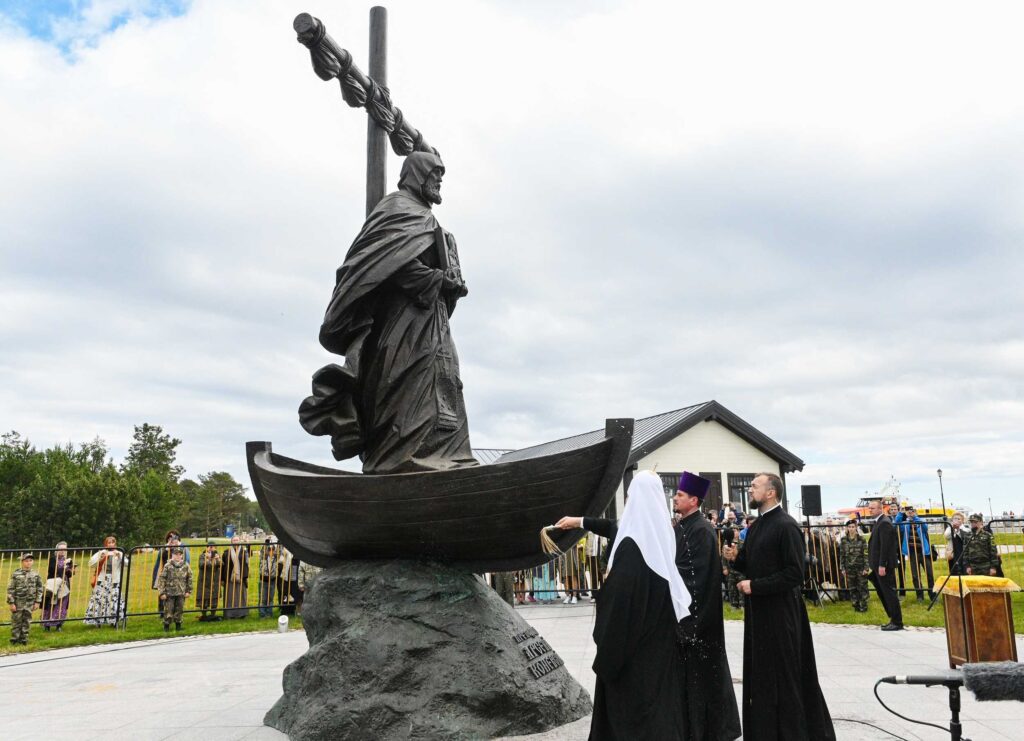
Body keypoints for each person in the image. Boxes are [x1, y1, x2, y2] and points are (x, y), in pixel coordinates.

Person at [299, 151, 478, 475]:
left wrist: (450, 283)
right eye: (435, 173)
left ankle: (449, 463)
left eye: (442, 175)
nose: (439, 181)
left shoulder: (425, 216)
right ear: (418, 174)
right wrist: (437, 279)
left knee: (447, 385)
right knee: (408, 389)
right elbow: (386, 264)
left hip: (433, 324)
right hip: (402, 328)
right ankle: (401, 465)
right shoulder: (396, 208)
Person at [722, 472, 834, 741]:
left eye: (754, 486)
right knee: (763, 676)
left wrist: (755, 586)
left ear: (771, 492)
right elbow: (751, 563)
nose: (750, 490)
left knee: (785, 676)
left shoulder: (786, 526)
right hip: (760, 613)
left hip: (783, 614)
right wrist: (735, 558)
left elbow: (795, 573)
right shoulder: (758, 526)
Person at [588, 471, 690, 739]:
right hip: (659, 649)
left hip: (632, 659)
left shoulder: (632, 549)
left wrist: (605, 656)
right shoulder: (661, 539)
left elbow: (620, 610)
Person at [673, 472, 742, 741]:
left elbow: (695, 574)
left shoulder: (701, 529)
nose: (675, 498)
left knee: (704, 675)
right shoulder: (681, 526)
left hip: (699, 617)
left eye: (679, 495)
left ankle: (712, 730)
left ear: (693, 500)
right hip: (686, 614)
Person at [866, 499, 903, 631]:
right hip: (877, 565)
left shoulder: (884, 523)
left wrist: (882, 565)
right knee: (884, 592)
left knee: (889, 593)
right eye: (869, 508)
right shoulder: (879, 522)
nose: (870, 510)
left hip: (883, 566)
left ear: (880, 509)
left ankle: (897, 622)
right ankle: (893, 618)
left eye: (873, 508)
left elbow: (886, 547)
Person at [84, 535, 127, 627]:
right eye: (109, 542)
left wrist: (120, 556)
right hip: (102, 579)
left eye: (113, 542)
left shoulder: (119, 552)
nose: (111, 544)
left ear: (115, 544)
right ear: (106, 544)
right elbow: (91, 564)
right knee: (99, 599)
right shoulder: (101, 552)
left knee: (114, 599)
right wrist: (101, 557)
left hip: (114, 579)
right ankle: (97, 620)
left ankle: (114, 620)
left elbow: (127, 563)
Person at [893, 506, 934, 601]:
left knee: (929, 574)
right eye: (909, 511)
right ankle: (919, 595)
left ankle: (932, 594)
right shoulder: (905, 523)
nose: (910, 513)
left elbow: (925, 528)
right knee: (915, 575)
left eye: (912, 511)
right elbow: (896, 524)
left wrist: (915, 517)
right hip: (912, 552)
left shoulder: (920, 521)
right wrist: (901, 513)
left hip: (924, 552)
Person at [7, 553, 43, 646]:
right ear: (22, 562)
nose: (29, 563)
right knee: (16, 621)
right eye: (26, 561)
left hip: (30, 602)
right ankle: (15, 639)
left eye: (30, 561)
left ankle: (24, 639)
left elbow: (40, 588)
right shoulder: (16, 574)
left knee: (27, 621)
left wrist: (37, 601)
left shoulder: (36, 574)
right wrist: (11, 603)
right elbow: (10, 589)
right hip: (18, 602)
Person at [156, 547, 193, 632]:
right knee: (168, 610)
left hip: (181, 592)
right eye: (176, 554)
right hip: (169, 593)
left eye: (180, 554)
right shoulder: (168, 565)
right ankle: (166, 626)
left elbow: (189, 578)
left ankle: (178, 626)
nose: (178, 556)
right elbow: (162, 579)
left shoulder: (185, 565)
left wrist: (188, 591)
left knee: (179, 609)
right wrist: (162, 592)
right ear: (172, 555)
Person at [42, 541, 75, 631]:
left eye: (64, 549)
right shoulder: (53, 559)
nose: (62, 551)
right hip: (54, 584)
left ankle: (58, 625)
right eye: (61, 549)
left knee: (62, 604)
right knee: (51, 603)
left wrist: (70, 570)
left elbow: (70, 574)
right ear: (57, 549)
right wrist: (63, 567)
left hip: (65, 585)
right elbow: (51, 570)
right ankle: (47, 625)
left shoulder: (69, 559)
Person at [839, 520, 870, 612]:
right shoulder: (844, 540)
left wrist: (866, 567)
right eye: (849, 527)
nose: (851, 529)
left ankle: (863, 606)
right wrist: (842, 568)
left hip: (860, 567)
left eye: (853, 527)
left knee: (862, 587)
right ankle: (855, 605)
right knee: (852, 588)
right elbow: (842, 555)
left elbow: (866, 554)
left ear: (856, 527)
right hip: (849, 568)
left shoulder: (861, 539)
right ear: (847, 528)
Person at [221, 535, 250, 619]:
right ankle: (230, 614)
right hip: (229, 578)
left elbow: (248, 560)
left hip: (241, 577)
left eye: (237, 540)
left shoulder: (244, 552)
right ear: (231, 542)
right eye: (234, 540)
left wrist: (248, 544)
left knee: (241, 596)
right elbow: (223, 566)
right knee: (229, 597)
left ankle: (242, 614)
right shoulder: (226, 552)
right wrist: (222, 579)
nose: (236, 542)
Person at [196, 541, 223, 621]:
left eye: (213, 547)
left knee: (214, 598)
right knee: (204, 598)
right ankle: (203, 615)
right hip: (204, 581)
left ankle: (212, 615)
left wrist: (218, 559)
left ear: (215, 548)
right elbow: (201, 565)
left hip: (215, 581)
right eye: (209, 546)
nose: (211, 548)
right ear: (206, 548)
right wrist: (207, 559)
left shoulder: (217, 556)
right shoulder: (202, 555)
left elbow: (222, 564)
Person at [257, 539, 279, 618]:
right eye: (269, 549)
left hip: (272, 580)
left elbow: (280, 550)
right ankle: (262, 614)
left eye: (272, 549)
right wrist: (266, 544)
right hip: (263, 580)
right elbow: (262, 550)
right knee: (263, 598)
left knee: (270, 598)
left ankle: (269, 613)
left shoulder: (276, 558)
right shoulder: (263, 558)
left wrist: (278, 543)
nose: (271, 551)